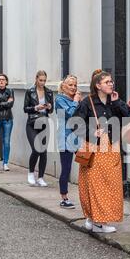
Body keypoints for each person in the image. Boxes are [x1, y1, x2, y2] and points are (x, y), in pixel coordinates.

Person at [73, 69, 130, 233]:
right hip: (95, 148)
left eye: (111, 81)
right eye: (107, 82)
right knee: (95, 185)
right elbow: (74, 123)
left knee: (110, 186)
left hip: (112, 149)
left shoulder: (113, 102)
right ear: (98, 85)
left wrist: (118, 102)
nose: (111, 84)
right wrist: (91, 132)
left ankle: (96, 220)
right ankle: (96, 221)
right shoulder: (88, 102)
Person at [55, 75, 82, 209]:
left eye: (75, 85)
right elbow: (70, 114)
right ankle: (64, 198)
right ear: (63, 87)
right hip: (65, 138)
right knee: (66, 168)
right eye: (70, 85)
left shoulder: (75, 100)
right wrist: (76, 101)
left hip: (78, 137)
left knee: (86, 164)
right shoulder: (59, 100)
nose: (73, 87)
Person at [24, 70, 54, 187]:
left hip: (44, 123)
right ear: (36, 79)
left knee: (43, 151)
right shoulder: (30, 91)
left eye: (44, 81)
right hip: (32, 123)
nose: (42, 83)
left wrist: (50, 107)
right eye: (40, 80)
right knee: (36, 149)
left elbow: (51, 111)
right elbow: (25, 108)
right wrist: (36, 107)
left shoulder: (49, 92)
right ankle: (31, 173)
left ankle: (41, 177)